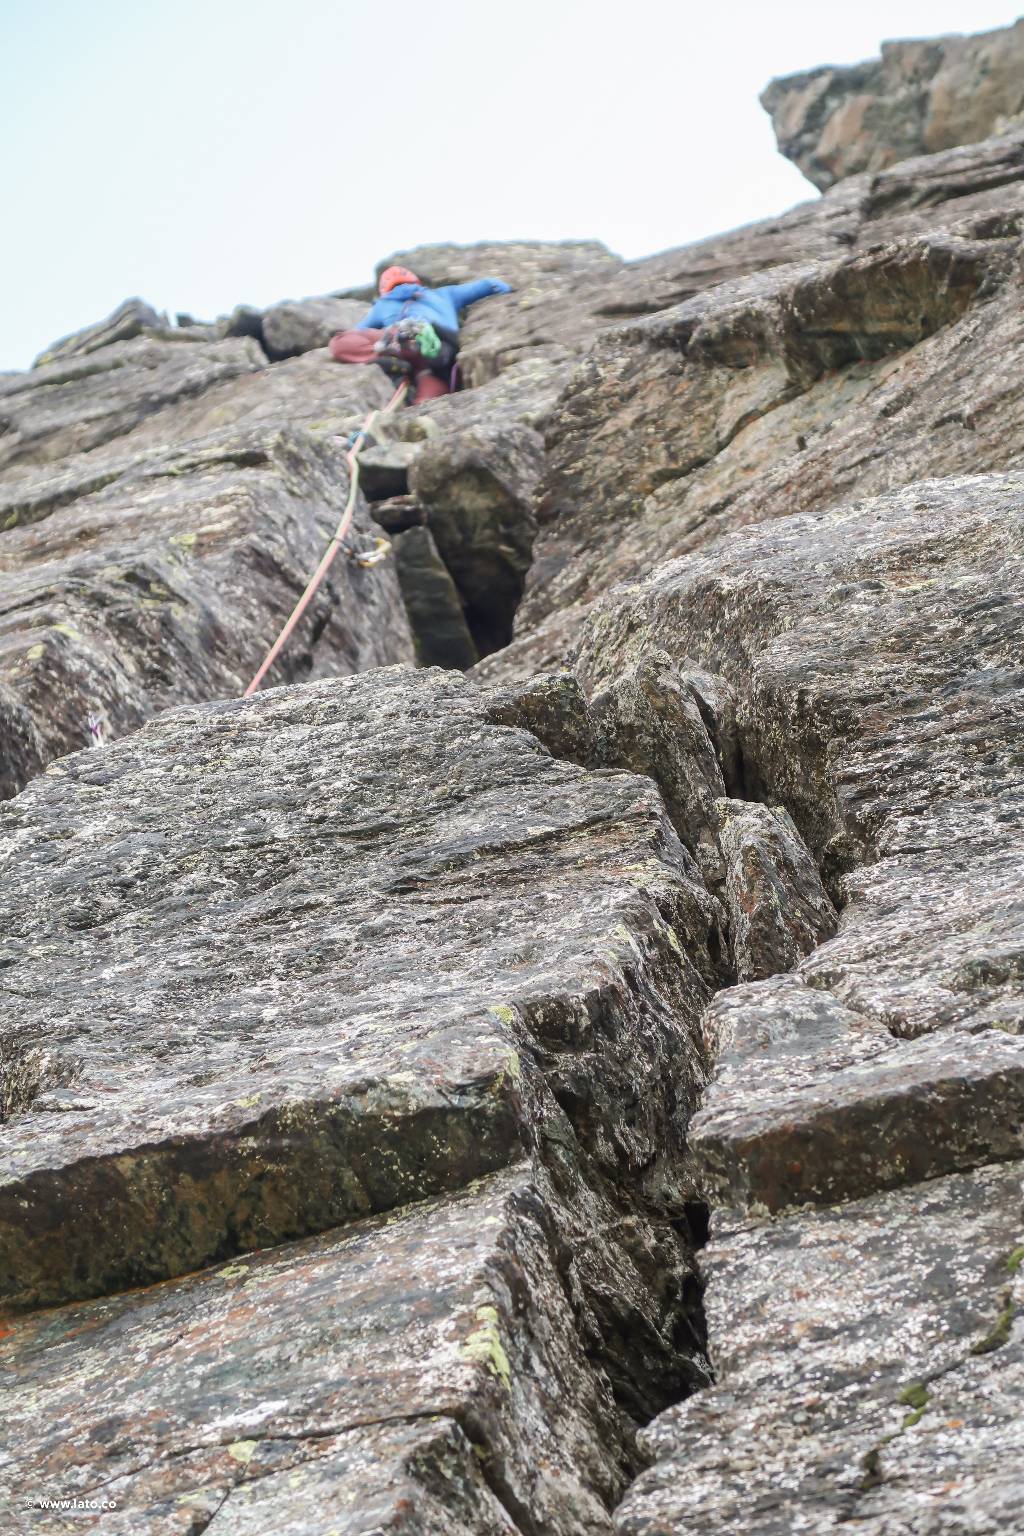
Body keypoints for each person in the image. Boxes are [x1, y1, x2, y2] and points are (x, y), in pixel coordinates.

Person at [328, 265, 512, 404]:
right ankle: (410, 359)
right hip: (440, 352)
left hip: (399, 341)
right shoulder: (445, 294)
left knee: (339, 343)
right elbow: (489, 285)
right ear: (416, 281)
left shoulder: (382, 305)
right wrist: (509, 291)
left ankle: (385, 358)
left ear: (385, 289)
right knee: (427, 405)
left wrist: (373, 347)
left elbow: (357, 332)